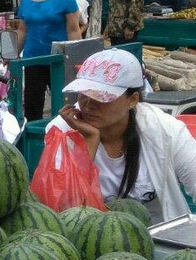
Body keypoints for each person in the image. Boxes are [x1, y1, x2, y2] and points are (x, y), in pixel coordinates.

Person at [57, 48, 196, 223]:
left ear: (133, 99)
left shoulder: (166, 130)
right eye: (84, 93)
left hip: (161, 239)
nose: (88, 104)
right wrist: (88, 142)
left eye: (102, 96)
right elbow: (63, 209)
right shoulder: (62, 129)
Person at [15, 0, 83, 121]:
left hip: (58, 60)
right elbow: (23, 30)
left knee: (64, 105)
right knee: (32, 105)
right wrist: (12, 54)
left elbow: (73, 30)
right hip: (33, 60)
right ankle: (34, 139)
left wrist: (77, 59)